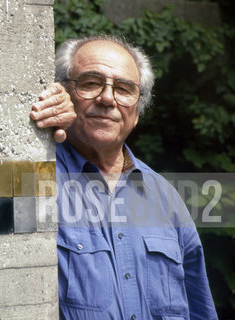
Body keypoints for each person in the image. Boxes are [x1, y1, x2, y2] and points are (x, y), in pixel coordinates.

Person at [30, 35, 218, 320]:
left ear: (137, 112)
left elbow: (199, 308)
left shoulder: (165, 197)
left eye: (124, 88)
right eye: (91, 83)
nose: (107, 99)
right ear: (63, 95)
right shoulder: (35, 180)